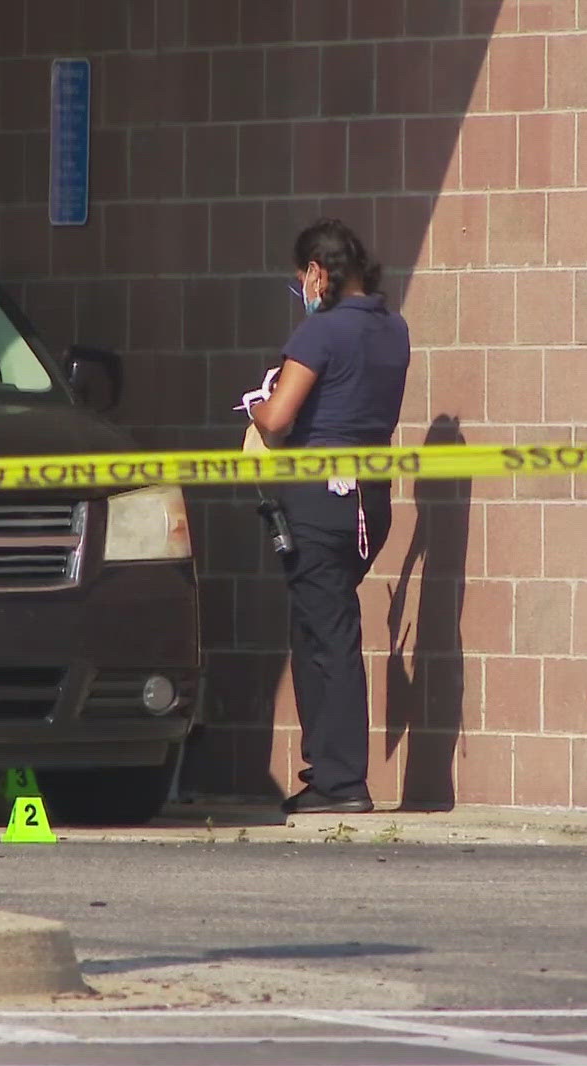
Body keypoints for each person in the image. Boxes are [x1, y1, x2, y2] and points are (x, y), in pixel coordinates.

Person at [241, 218, 411, 815]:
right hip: (369, 500)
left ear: (318, 271)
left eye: (302, 279)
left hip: (317, 502)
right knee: (317, 627)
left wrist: (258, 407)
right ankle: (327, 772)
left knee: (329, 634)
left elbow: (281, 418)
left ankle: (341, 782)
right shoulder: (395, 329)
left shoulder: (320, 335)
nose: (303, 292)